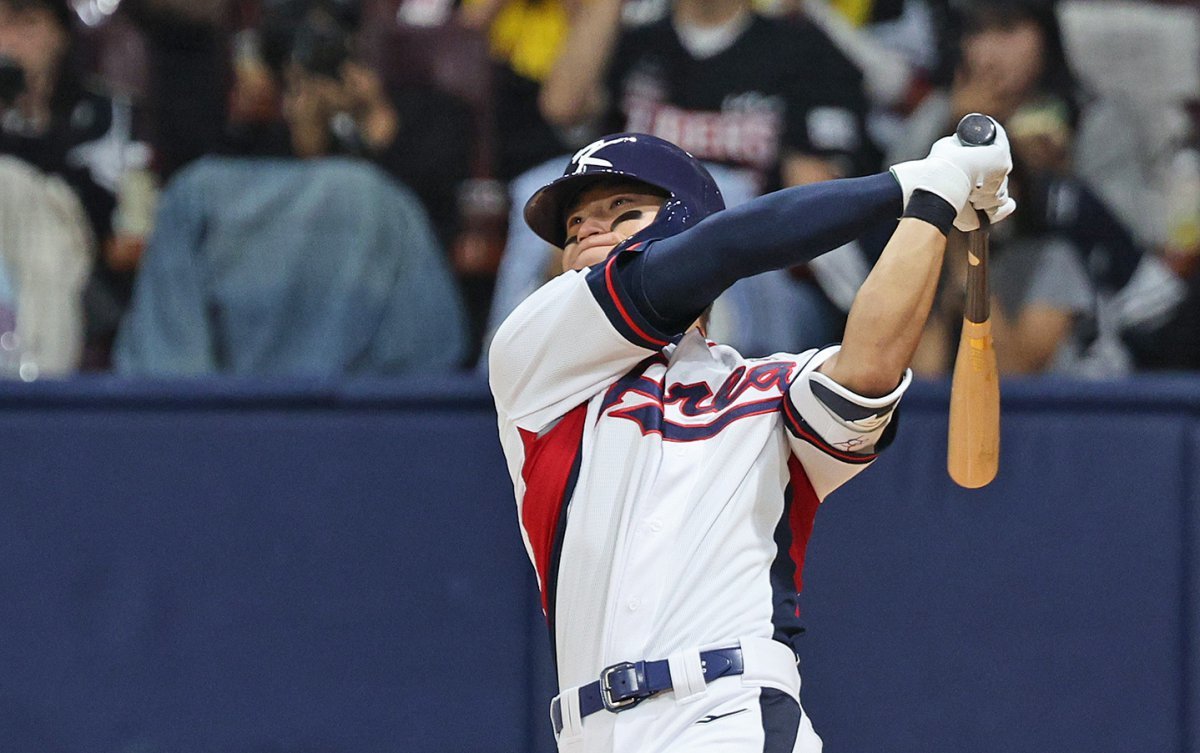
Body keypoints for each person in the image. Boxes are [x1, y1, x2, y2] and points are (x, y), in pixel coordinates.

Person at [488, 124, 1013, 751]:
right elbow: (723, 250)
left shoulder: (766, 386)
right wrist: (912, 182)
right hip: (589, 731)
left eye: (620, 212)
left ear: (689, 222)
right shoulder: (535, 355)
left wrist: (936, 199)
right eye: (576, 227)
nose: (588, 234)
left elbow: (869, 364)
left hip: (729, 713)